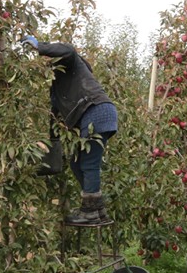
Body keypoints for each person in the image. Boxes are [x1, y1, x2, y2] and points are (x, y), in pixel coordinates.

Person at [21, 35, 118, 225]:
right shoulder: (58, 87)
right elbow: (54, 116)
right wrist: (52, 146)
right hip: (97, 115)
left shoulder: (73, 64)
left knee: (88, 164)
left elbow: (68, 50)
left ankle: (90, 212)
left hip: (97, 112)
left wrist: (40, 46)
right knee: (76, 163)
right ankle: (97, 208)